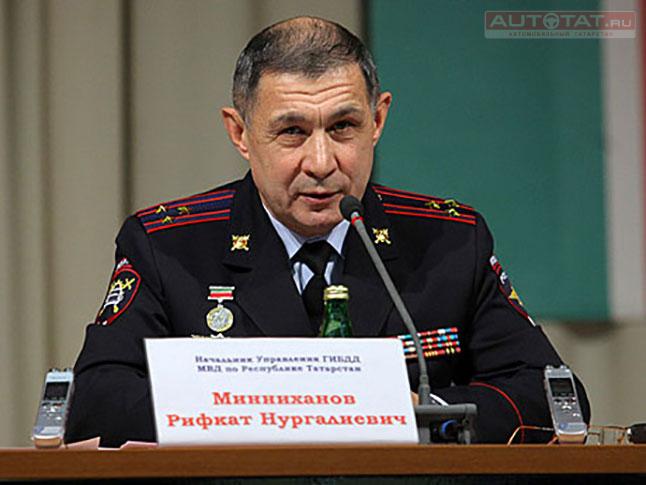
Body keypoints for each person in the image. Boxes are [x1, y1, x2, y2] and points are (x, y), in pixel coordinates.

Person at [65, 16, 590, 447]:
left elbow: (555, 397)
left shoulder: (450, 240)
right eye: (292, 131)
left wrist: (416, 413)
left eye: (343, 127)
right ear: (240, 133)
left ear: (377, 120)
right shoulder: (168, 245)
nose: (321, 162)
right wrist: (288, 406)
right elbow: (94, 401)